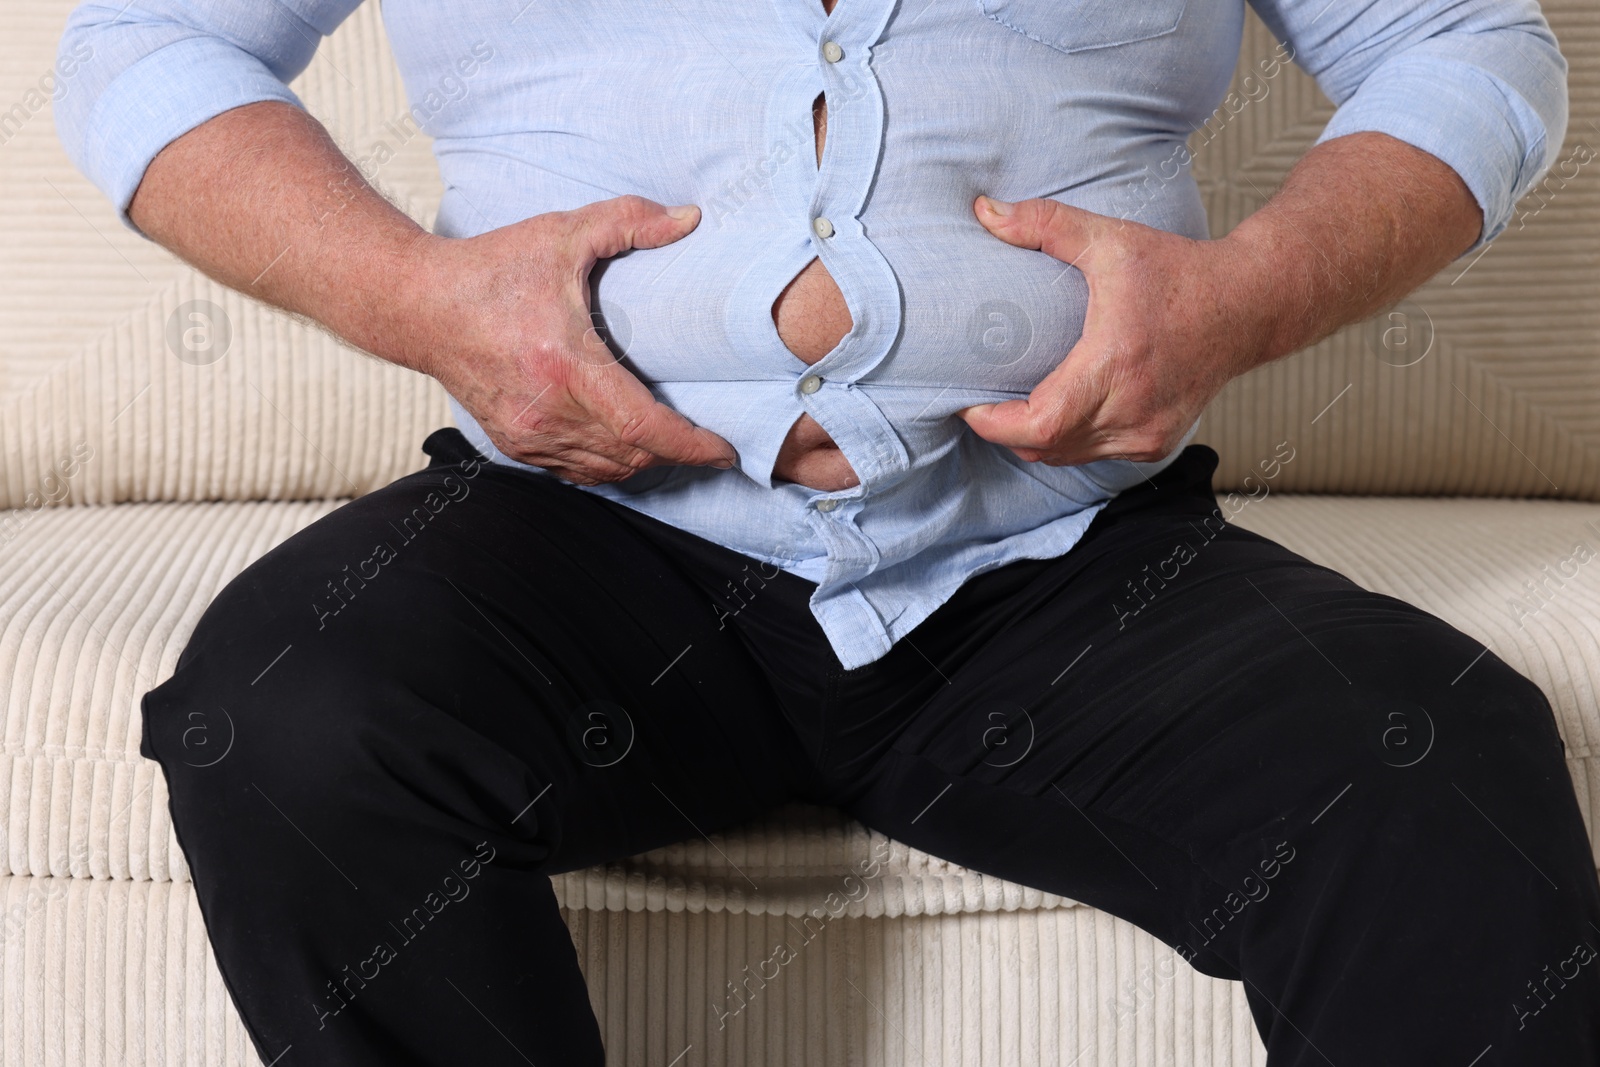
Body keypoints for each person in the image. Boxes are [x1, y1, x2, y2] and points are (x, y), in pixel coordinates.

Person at [56, 0, 1597, 1064]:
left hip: (1062, 564)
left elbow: (1463, 44)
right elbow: (150, 40)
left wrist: (1241, 299)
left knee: (1433, 765)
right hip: (573, 537)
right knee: (285, 718)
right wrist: (411, 297)